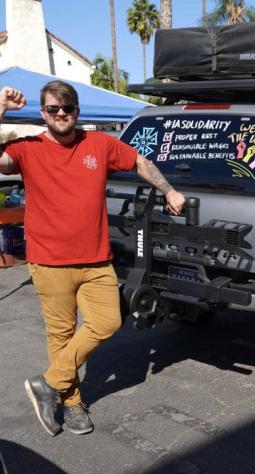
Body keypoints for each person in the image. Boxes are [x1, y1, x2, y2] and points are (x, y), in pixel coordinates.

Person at [0, 81, 185, 435]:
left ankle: (47, 383)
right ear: (43, 113)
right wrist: (1, 107)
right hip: (49, 262)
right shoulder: (27, 149)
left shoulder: (98, 144)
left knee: (108, 321)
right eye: (53, 110)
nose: (61, 115)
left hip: (96, 260)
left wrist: (169, 190)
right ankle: (72, 405)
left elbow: (140, 162)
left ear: (77, 111)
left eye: (67, 109)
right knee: (61, 335)